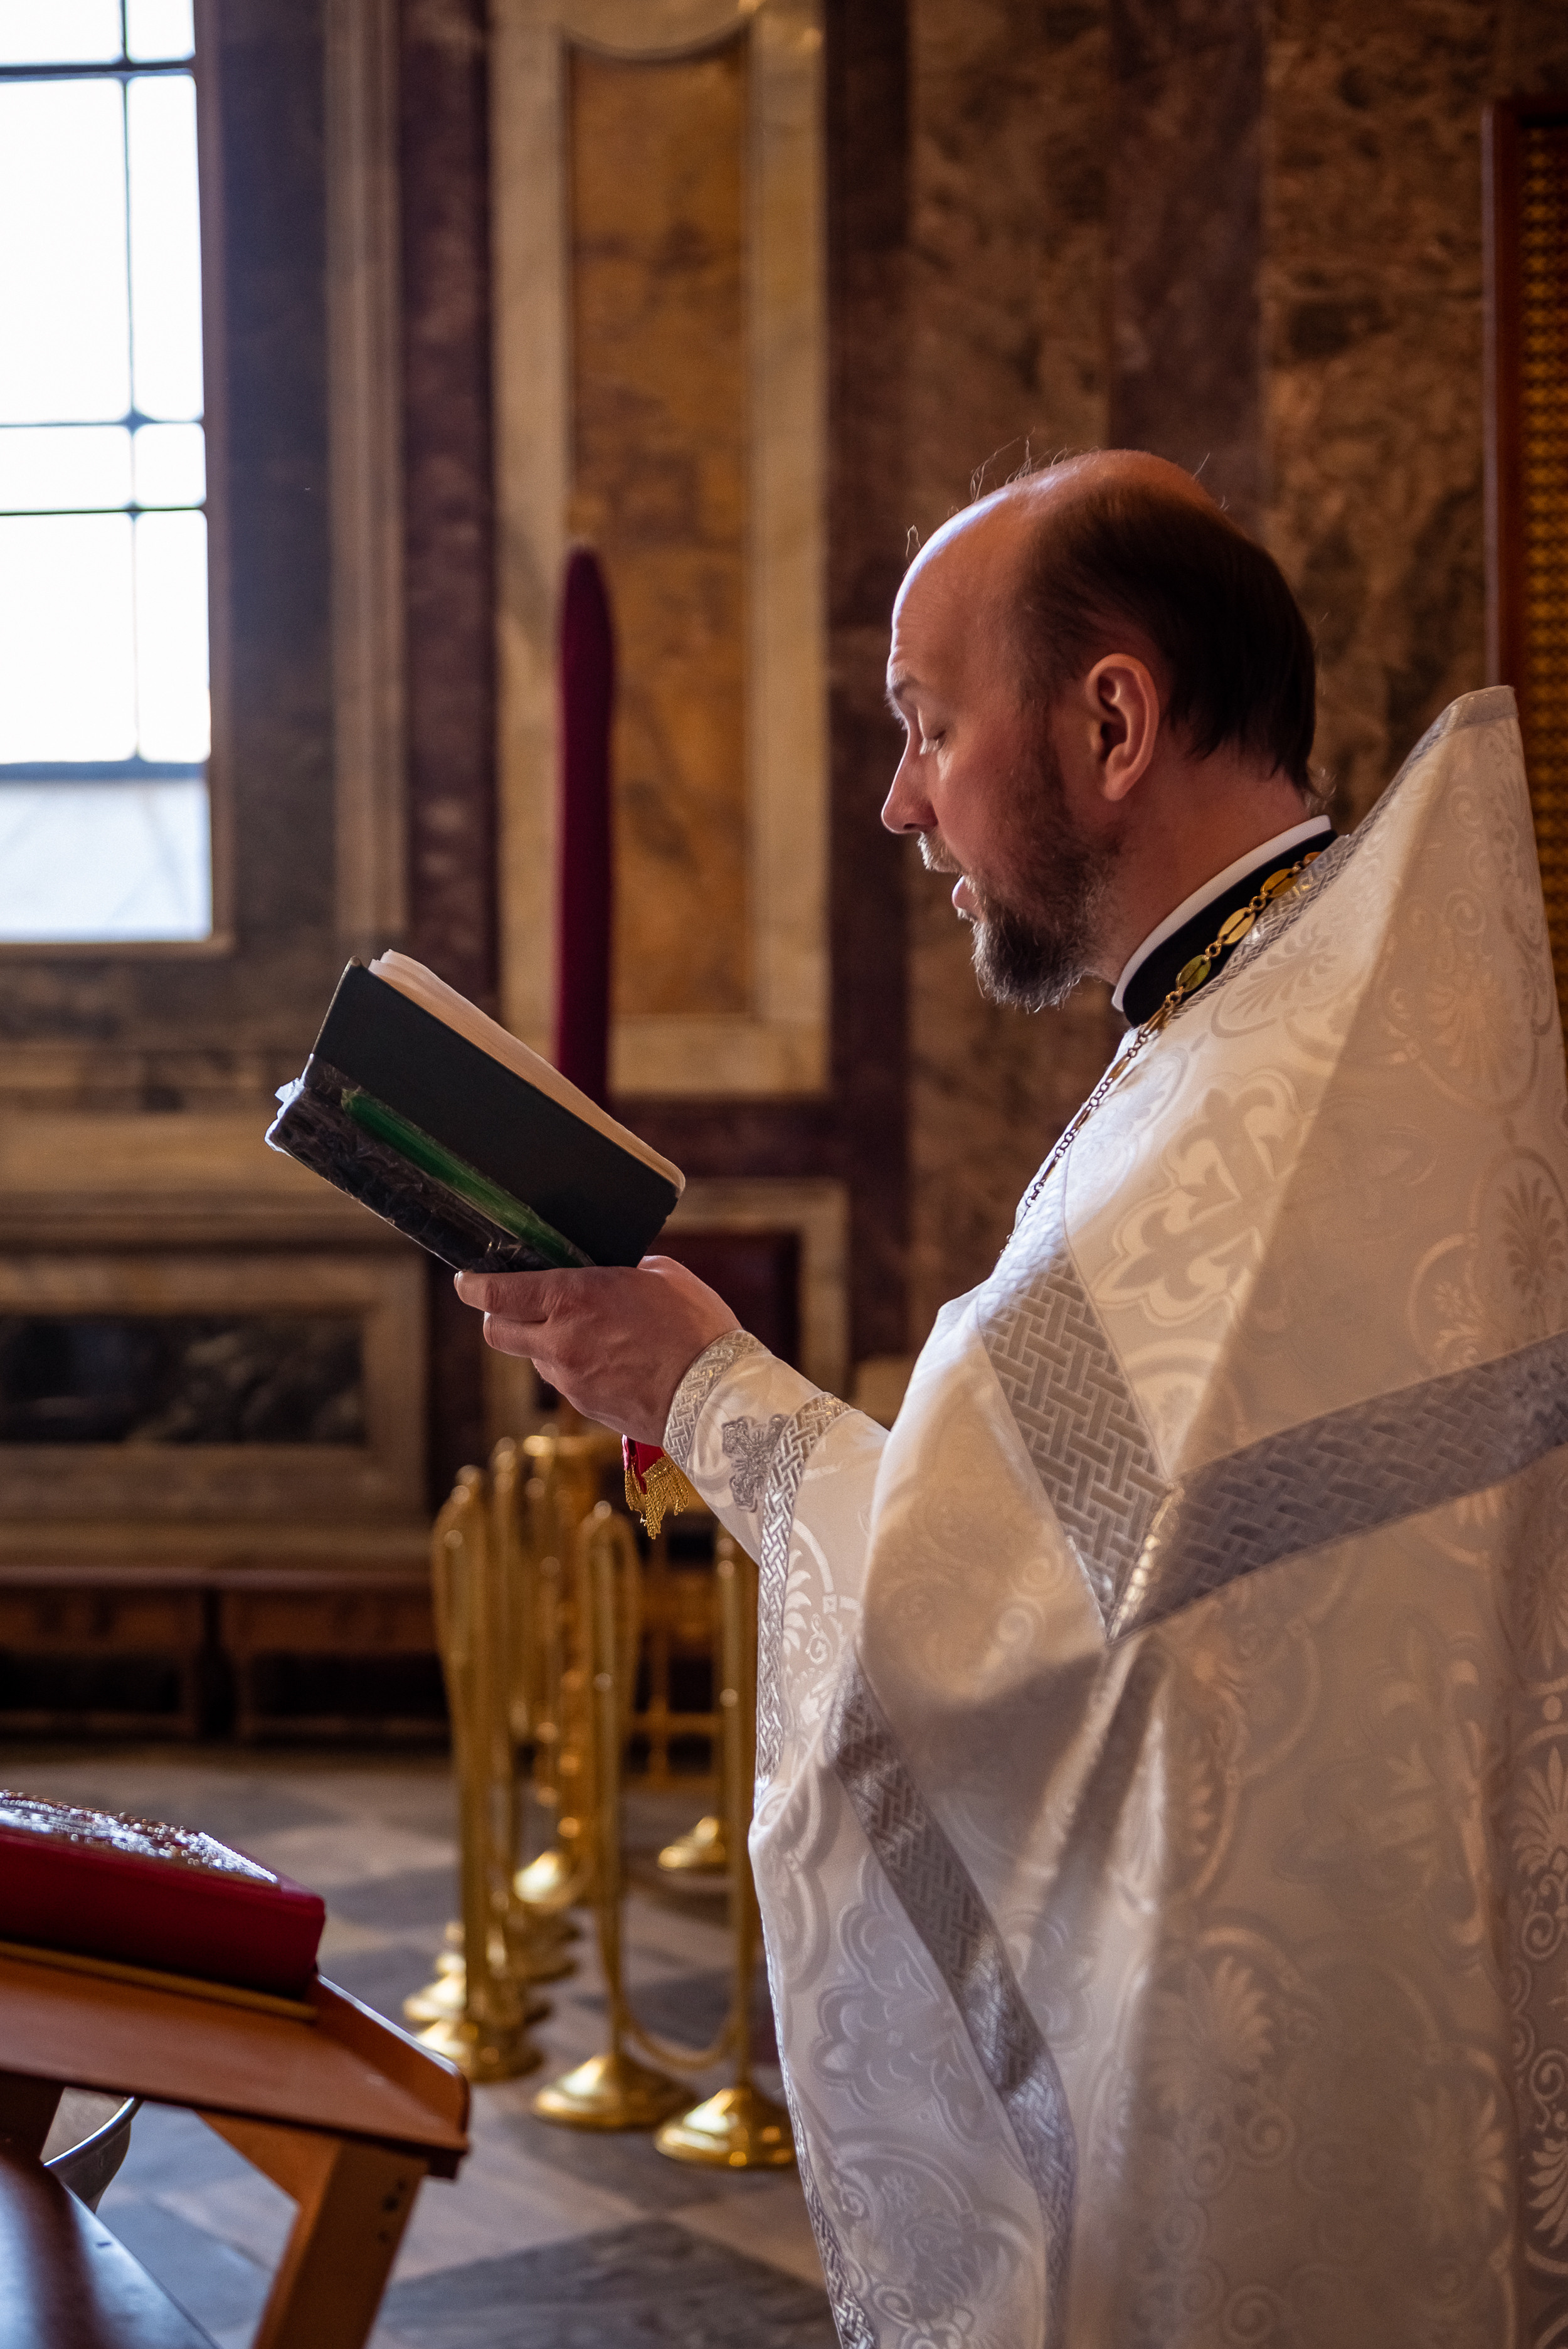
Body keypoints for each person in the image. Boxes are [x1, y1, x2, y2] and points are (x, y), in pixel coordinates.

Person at [457, 450, 1568, 2346]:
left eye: (926, 724)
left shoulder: (1254, 1108)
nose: (901, 800)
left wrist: (693, 1384)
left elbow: (973, 1624)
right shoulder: (1300, 1032)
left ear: (1111, 721)